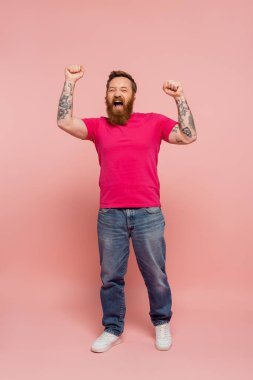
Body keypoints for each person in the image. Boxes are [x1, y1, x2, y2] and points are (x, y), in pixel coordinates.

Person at [57, 65, 197, 353]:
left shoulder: (153, 122)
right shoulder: (98, 126)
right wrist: (70, 81)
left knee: (155, 274)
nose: (117, 93)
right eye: (111, 90)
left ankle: (161, 323)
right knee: (110, 276)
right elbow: (64, 121)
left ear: (133, 96)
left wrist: (179, 97)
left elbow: (188, 136)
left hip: (148, 213)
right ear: (107, 98)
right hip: (110, 214)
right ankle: (112, 328)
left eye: (123, 89)